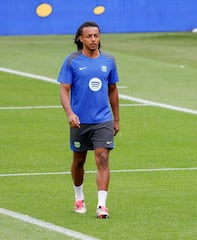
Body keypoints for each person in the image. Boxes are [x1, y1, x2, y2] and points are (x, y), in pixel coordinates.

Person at [57, 21, 120, 219]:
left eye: (96, 36)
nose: (94, 39)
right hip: (79, 121)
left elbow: (113, 90)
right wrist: (69, 113)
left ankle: (102, 205)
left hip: (103, 119)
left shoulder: (109, 61)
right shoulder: (72, 61)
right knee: (79, 160)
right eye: (89, 36)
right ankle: (79, 197)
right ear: (80, 39)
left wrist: (116, 119)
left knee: (102, 158)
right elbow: (64, 89)